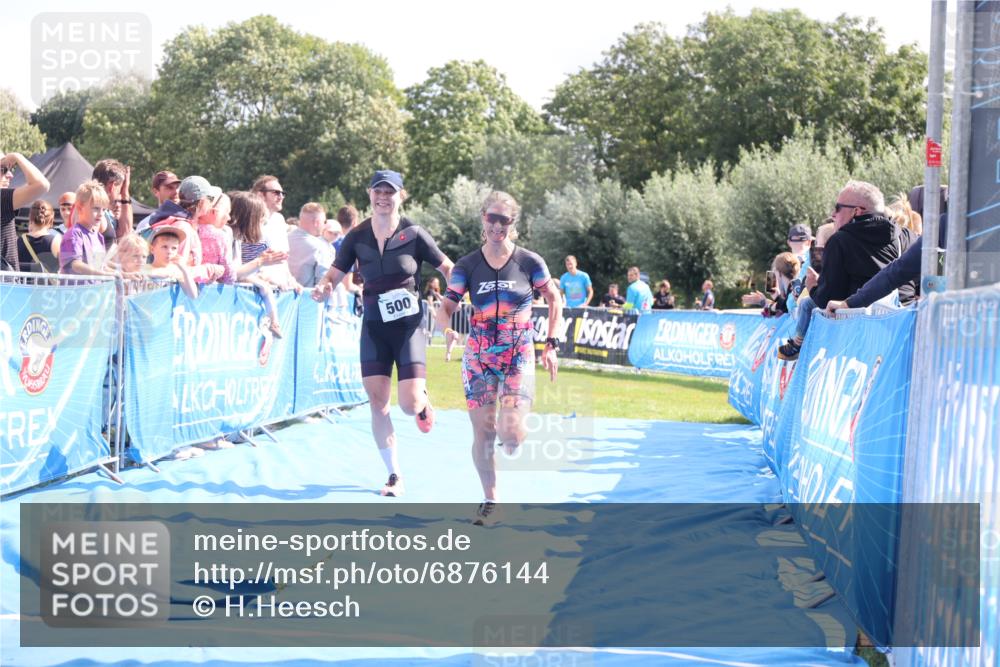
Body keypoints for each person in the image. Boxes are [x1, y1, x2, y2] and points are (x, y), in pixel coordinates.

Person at [312, 170, 453, 497]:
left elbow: (448, 268)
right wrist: (323, 288)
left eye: (390, 192)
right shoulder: (356, 237)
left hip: (408, 326)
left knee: (407, 404)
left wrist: (455, 295)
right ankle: (394, 475)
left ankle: (421, 401)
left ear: (401, 196)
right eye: (378, 191)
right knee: (377, 401)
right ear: (369, 194)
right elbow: (334, 274)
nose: (383, 197)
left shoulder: (415, 233)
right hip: (374, 324)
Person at [435, 191, 562, 525]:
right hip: (478, 355)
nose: (496, 225)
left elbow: (554, 298)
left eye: (503, 220)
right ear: (482, 218)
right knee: (484, 433)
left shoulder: (529, 262)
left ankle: (514, 435)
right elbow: (445, 307)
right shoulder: (466, 265)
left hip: (517, 352)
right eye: (491, 218)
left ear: (513, 224)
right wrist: (447, 330)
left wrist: (551, 344)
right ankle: (490, 499)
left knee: (511, 435)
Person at [778, 180, 915, 361]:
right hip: (906, 333)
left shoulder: (840, 241)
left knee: (807, 303)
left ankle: (797, 344)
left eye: (838, 208)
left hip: (859, 344)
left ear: (857, 211)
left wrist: (812, 287)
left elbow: (828, 300)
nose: (833, 214)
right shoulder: (908, 237)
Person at [1, 151, 51, 270]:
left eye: (10, 169)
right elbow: (42, 184)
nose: (10, 175)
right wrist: (16, 157)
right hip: (5, 285)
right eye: (3, 169)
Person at [287, 202, 334, 288]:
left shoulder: (285, 239)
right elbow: (323, 282)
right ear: (316, 223)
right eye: (324, 222)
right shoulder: (320, 247)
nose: (324, 225)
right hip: (307, 298)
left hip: (283, 297)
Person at [146, 226, 199, 299]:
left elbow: (193, 295)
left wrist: (184, 270)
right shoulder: (143, 269)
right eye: (164, 247)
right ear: (152, 249)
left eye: (174, 248)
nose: (169, 252)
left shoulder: (176, 272)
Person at [17, 200, 61, 274]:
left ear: (30, 217)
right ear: (51, 219)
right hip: (46, 285)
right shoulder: (56, 241)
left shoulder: (19, 240)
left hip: (22, 285)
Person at [136, 171, 182, 235]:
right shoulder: (146, 225)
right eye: (169, 187)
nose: (176, 192)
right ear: (155, 192)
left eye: (177, 187)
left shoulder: (188, 220)